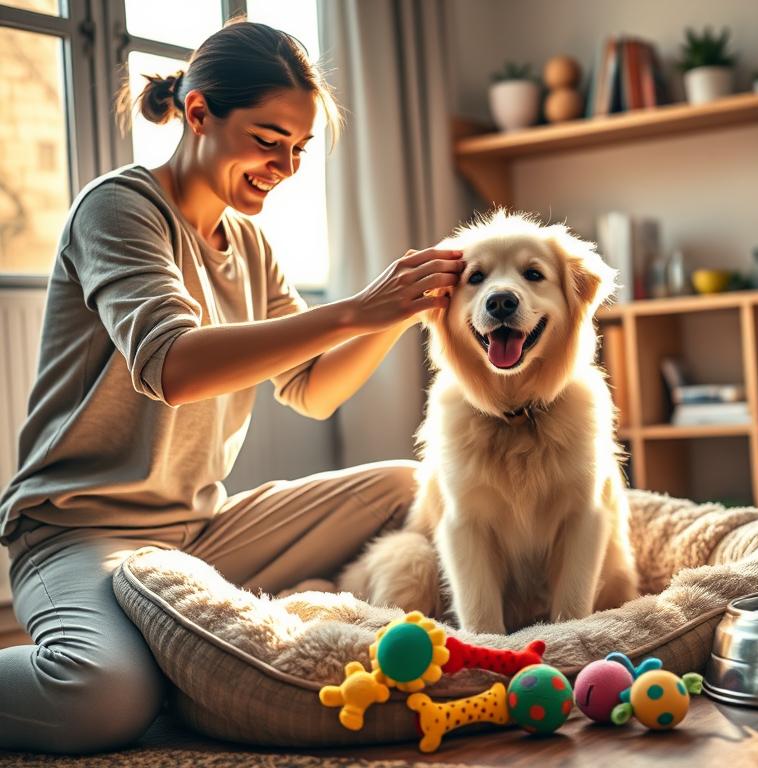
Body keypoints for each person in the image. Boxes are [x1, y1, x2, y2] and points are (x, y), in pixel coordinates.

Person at [0, 20, 463, 754]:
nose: (284, 164)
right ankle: (151, 663)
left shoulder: (247, 243)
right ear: (197, 113)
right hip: (80, 532)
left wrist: (398, 313)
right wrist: (353, 309)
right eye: (268, 138)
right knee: (100, 699)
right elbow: (173, 366)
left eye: (299, 149)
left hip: (199, 533)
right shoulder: (119, 209)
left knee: (411, 486)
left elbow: (310, 388)